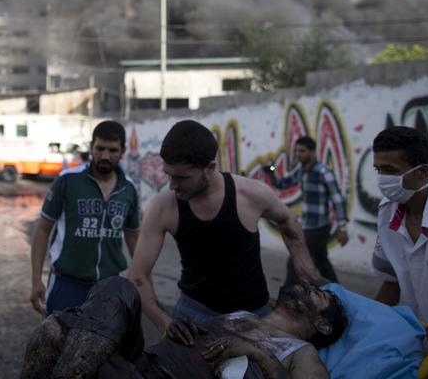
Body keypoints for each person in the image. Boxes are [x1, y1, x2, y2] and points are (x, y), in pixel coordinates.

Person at [129, 120, 324, 338]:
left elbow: (288, 220)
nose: (172, 185)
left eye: (181, 178)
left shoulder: (252, 194)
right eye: (169, 175)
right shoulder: (163, 207)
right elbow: (138, 275)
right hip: (193, 314)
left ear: (210, 168)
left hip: (254, 315)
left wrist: (303, 265)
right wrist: (165, 322)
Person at [21, 276, 347, 379]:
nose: (305, 287)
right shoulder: (241, 316)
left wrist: (257, 355)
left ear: (322, 324)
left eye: (315, 294)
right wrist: (176, 327)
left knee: (54, 333)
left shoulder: (303, 354)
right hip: (141, 364)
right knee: (118, 287)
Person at [30, 120, 140, 316]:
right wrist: (36, 278)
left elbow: (133, 237)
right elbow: (43, 228)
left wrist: (140, 280)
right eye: (100, 148)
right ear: (91, 147)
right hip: (66, 283)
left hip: (109, 286)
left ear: (122, 151)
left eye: (112, 150)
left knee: (104, 344)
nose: (105, 155)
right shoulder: (68, 180)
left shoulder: (129, 189)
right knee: (60, 342)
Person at [371, 126, 428, 376]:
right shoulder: (386, 214)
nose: (382, 180)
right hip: (415, 344)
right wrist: (368, 324)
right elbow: (390, 283)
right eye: (378, 170)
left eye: (390, 171)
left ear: (422, 173)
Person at [263, 136, 349, 285]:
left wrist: (342, 227)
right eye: (297, 151)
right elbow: (283, 184)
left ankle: (288, 299)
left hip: (319, 227)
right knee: (322, 261)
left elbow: (337, 198)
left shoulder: (323, 172)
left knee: (295, 261)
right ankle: (337, 293)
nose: (299, 154)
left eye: (302, 151)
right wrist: (272, 173)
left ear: (312, 152)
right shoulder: (301, 171)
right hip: (309, 225)